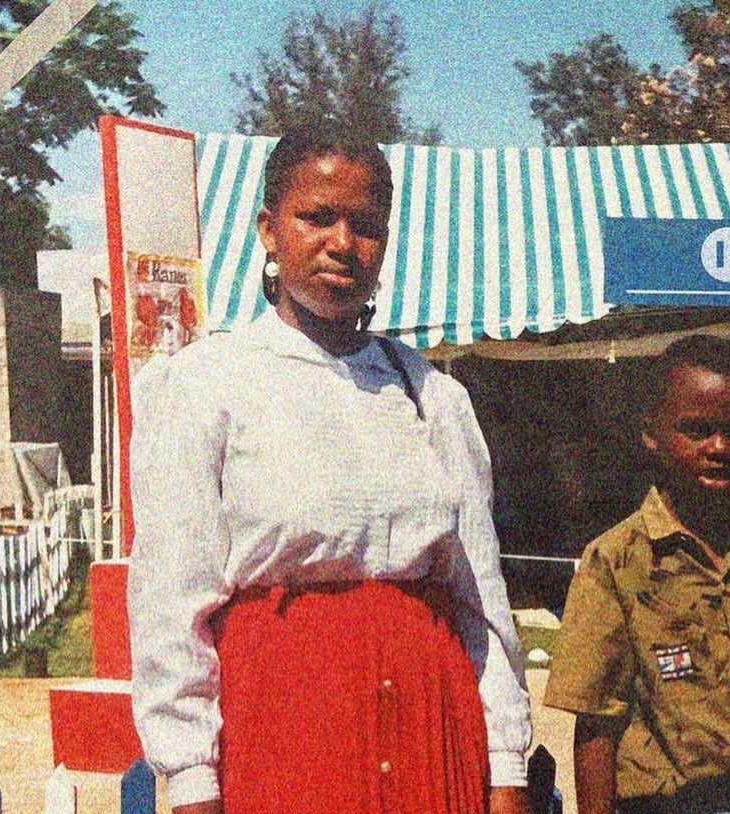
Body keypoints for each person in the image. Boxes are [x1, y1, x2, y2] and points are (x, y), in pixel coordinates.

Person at [127, 124, 531, 814]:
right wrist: (192, 780)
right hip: (283, 737)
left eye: (366, 226)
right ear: (268, 230)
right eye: (316, 217)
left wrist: (506, 768)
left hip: (430, 730)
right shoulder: (204, 385)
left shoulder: (431, 396)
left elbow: (481, 604)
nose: (342, 243)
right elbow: (169, 607)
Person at [543, 336, 730, 814]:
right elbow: (597, 724)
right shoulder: (617, 561)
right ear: (653, 433)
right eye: (697, 430)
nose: (719, 447)